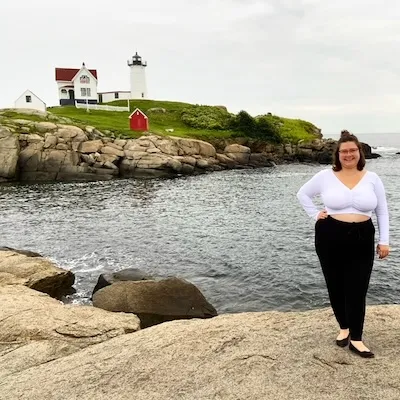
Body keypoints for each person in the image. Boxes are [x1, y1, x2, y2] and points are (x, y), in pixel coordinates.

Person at [296, 130, 390, 358]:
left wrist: (384, 240)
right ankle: (344, 328)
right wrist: (314, 214)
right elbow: (303, 194)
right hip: (330, 234)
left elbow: (382, 211)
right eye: (344, 151)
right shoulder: (325, 176)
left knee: (358, 287)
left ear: (360, 152)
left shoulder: (372, 178)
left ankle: (356, 339)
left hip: (362, 235)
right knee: (335, 284)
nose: (348, 155)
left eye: (352, 150)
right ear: (337, 155)